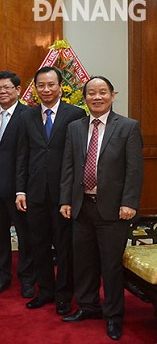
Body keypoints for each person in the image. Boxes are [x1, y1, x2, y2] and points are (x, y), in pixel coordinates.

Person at [59, 76, 143, 340]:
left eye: (102, 92)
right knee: (83, 263)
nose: (97, 97)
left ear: (112, 95)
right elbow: (68, 167)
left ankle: (114, 315)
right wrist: (65, 200)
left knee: (111, 266)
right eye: (91, 93)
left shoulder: (128, 127)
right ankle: (88, 306)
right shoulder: (74, 128)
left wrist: (129, 203)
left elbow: (134, 170)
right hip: (82, 206)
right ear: (84, 98)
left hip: (114, 209)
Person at [15, 66, 85, 314]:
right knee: (39, 245)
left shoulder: (76, 114)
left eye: (51, 85)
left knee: (65, 246)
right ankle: (45, 291)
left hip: (64, 195)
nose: (46, 90)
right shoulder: (27, 116)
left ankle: (64, 294)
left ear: (60, 86)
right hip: (35, 194)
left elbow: (80, 158)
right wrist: (20, 191)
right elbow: (22, 155)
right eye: (41, 85)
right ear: (35, 88)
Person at [0, 71, 35, 297]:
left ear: (18, 89)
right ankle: (1, 277)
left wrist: (21, 188)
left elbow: (29, 156)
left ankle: (27, 279)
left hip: (19, 190)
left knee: (25, 236)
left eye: (7, 88)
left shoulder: (30, 115)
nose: (2, 92)